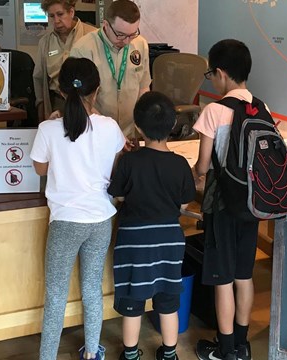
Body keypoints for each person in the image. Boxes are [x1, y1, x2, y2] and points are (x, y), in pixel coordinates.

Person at [30, 57, 126, 360]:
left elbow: (40, 169)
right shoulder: (109, 127)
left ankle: (48, 356)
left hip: (65, 223)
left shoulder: (48, 128)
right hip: (100, 219)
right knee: (92, 289)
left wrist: (57, 122)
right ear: (96, 91)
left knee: (56, 296)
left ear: (60, 90)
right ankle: (91, 353)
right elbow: (115, 165)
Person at [107, 91, 196, 360]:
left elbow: (118, 195)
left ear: (137, 127)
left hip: (134, 241)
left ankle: (131, 354)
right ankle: (170, 353)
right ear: (172, 126)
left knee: (134, 301)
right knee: (168, 299)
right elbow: (183, 206)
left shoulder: (129, 161)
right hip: (169, 241)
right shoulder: (180, 164)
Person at [192, 39, 261, 360]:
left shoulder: (214, 110)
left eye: (211, 74)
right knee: (244, 275)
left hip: (221, 205)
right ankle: (243, 346)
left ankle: (225, 349)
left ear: (220, 73)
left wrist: (193, 175)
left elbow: (203, 166)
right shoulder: (261, 107)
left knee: (222, 279)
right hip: (252, 203)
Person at [70, 0, 150, 139]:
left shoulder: (140, 44)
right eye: (120, 34)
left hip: (131, 133)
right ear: (106, 25)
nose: (126, 41)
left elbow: (143, 87)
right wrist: (111, 132)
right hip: (97, 133)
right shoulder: (83, 49)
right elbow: (80, 99)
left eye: (132, 34)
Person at [34, 0, 96, 121]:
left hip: (86, 102)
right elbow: (39, 78)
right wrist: (41, 110)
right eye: (51, 16)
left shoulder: (92, 35)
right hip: (57, 103)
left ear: (71, 12)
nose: (56, 21)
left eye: (60, 14)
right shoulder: (45, 42)